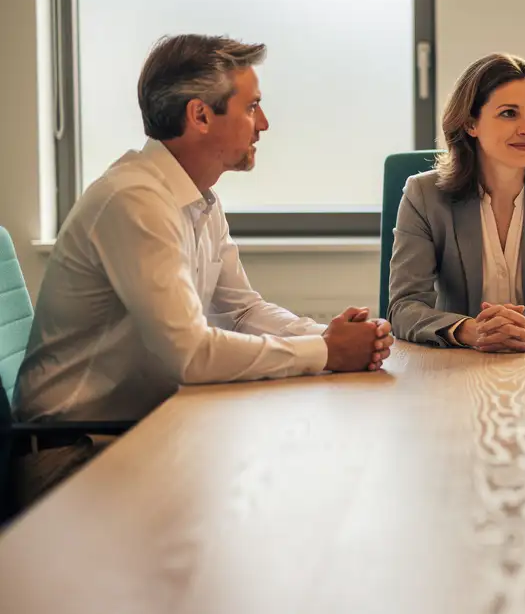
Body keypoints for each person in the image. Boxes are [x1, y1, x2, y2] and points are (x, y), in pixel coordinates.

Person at [14, 34, 393, 502]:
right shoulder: (135, 200)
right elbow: (190, 354)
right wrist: (327, 354)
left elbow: (239, 311)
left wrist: (327, 337)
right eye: (252, 107)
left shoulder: (197, 197)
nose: (265, 124)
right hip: (70, 454)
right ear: (200, 116)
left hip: (133, 430)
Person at [388, 53, 525, 351]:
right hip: (455, 367)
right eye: (509, 113)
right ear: (470, 123)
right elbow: (404, 307)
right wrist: (469, 331)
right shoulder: (424, 195)